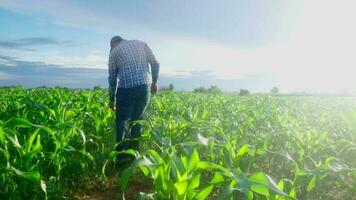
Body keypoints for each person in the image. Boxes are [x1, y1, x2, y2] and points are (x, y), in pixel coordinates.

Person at [108, 36, 160, 164]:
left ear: (113, 44)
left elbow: (112, 78)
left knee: (122, 121)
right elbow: (155, 63)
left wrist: (112, 99)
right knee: (137, 121)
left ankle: (121, 156)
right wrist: (154, 82)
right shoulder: (142, 44)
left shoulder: (114, 52)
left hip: (126, 89)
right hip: (144, 87)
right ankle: (134, 155)